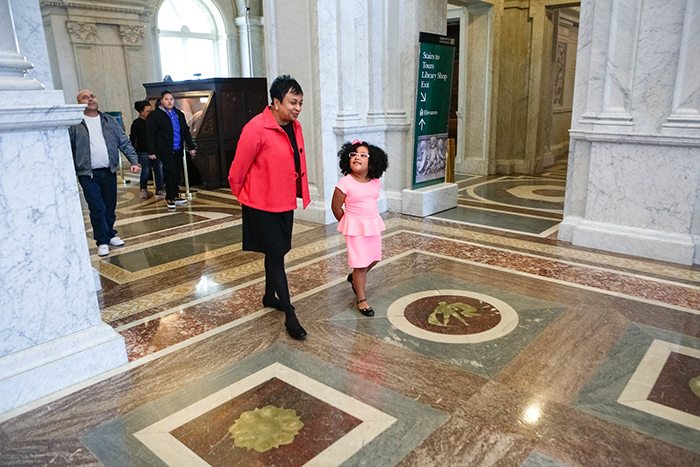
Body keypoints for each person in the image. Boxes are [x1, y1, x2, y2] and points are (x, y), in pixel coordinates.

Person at [228, 75, 311, 341]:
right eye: (292, 102)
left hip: (284, 202)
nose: (297, 108)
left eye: (300, 102)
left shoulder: (293, 126)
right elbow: (237, 169)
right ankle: (290, 314)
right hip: (262, 205)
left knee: (277, 252)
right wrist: (244, 195)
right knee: (276, 256)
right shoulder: (256, 128)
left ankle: (268, 296)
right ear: (275, 102)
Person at [69, 90, 141, 257]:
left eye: (92, 96)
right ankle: (102, 241)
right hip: (88, 174)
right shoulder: (75, 123)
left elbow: (123, 141)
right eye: (85, 98)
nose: (90, 99)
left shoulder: (109, 120)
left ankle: (109, 234)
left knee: (109, 206)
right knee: (97, 207)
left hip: (108, 171)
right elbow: (68, 149)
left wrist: (134, 161)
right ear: (79, 103)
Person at [331, 140, 389, 316]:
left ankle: (354, 278)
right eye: (354, 154)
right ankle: (362, 299)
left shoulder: (375, 182)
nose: (357, 157)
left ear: (373, 162)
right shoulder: (345, 183)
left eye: (363, 155)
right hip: (355, 228)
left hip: (372, 225)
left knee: (375, 258)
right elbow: (336, 207)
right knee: (361, 265)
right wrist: (350, 223)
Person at [147, 90, 196, 209]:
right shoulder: (155, 115)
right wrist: (152, 150)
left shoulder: (179, 114)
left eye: (171, 99)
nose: (169, 101)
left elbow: (185, 131)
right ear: (161, 101)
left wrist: (191, 146)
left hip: (178, 148)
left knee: (177, 172)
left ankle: (176, 194)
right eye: (166, 99)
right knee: (170, 172)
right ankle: (170, 197)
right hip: (165, 148)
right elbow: (150, 133)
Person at [130, 100, 164, 199]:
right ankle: (143, 189)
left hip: (156, 149)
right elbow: (133, 139)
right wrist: (134, 155)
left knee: (159, 169)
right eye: (148, 111)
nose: (150, 113)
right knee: (146, 170)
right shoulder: (136, 123)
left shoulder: (153, 121)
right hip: (143, 151)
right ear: (141, 112)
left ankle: (159, 189)